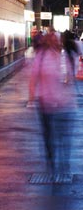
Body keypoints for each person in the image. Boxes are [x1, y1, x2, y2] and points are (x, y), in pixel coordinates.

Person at [28, 29, 76, 176]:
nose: (56, 42)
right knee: (48, 135)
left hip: (63, 104)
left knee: (63, 136)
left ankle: (63, 162)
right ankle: (51, 160)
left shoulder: (64, 57)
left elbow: (70, 78)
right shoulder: (41, 57)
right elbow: (33, 78)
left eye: (57, 40)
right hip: (45, 103)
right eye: (53, 39)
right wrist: (31, 98)